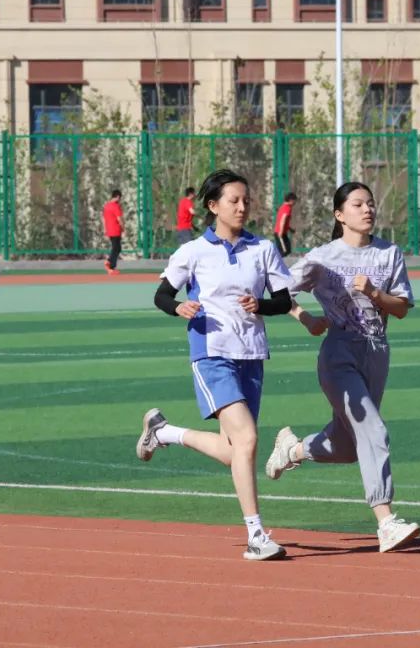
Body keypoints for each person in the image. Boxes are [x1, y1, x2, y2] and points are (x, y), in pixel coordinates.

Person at [135, 169, 294, 562]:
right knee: (248, 440)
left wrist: (261, 304)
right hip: (211, 353)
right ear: (213, 205)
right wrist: (178, 307)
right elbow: (161, 295)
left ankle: (164, 432)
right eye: (233, 200)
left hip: (251, 354)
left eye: (246, 200)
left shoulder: (263, 248)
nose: (242, 207)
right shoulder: (193, 251)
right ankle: (256, 535)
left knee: (232, 449)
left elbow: (283, 300)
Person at [264, 181, 420, 554]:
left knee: (349, 446)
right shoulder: (323, 257)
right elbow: (279, 290)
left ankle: (293, 450)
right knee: (373, 429)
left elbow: (401, 308)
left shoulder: (389, 253)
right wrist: (306, 318)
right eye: (358, 204)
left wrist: (375, 294)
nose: (367, 209)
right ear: (340, 214)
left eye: (371, 203)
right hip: (338, 353)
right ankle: (386, 521)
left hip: (377, 351)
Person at [103, 189, 124, 275]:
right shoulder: (116, 206)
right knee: (116, 248)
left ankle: (111, 266)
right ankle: (110, 263)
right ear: (118, 197)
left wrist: (105, 229)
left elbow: (104, 219)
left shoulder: (106, 206)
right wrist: (123, 228)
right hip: (116, 230)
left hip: (109, 230)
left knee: (116, 247)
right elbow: (119, 219)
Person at [273, 192, 298, 257]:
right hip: (280, 233)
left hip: (281, 233)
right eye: (295, 201)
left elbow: (285, 222)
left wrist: (290, 229)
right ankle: (274, 260)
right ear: (291, 200)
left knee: (287, 250)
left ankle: (277, 259)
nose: (295, 203)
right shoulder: (287, 208)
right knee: (284, 251)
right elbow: (282, 220)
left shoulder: (283, 207)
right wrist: (281, 232)